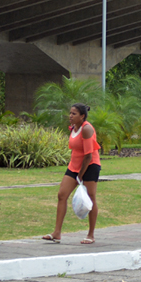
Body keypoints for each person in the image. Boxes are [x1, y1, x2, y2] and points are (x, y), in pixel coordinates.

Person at [42, 103, 100, 245]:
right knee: (62, 195)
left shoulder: (86, 129)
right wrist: (75, 172)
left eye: (74, 114)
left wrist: (80, 175)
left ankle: (91, 234)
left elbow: (88, 156)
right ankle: (57, 233)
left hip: (90, 166)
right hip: (74, 166)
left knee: (91, 198)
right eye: (70, 113)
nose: (70, 116)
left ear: (82, 116)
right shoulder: (74, 128)